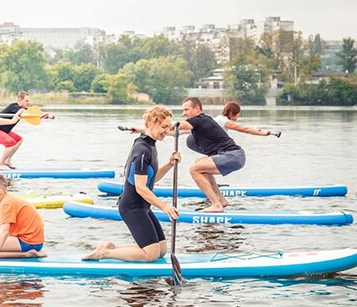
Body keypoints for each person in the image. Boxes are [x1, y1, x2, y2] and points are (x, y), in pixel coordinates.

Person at [83, 106, 180, 262]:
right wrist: (165, 207)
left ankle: (112, 248)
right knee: (151, 254)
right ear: (152, 123)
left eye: (168, 126)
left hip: (143, 206)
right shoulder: (142, 151)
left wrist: (169, 165)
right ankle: (104, 254)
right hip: (132, 206)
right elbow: (141, 188)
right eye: (164, 127)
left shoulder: (151, 144)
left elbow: (151, 180)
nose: (167, 130)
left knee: (161, 250)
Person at [177, 97, 248, 213]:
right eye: (183, 110)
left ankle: (215, 204)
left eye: (186, 109)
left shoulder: (200, 119)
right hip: (234, 156)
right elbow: (172, 131)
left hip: (233, 155)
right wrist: (142, 130)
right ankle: (221, 200)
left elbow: (175, 126)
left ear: (197, 109)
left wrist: (162, 122)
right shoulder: (198, 124)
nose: (183, 113)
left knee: (194, 169)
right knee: (200, 165)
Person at [0, 172, 46, 268]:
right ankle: (21, 250)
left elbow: (4, 231)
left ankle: (26, 254)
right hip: (32, 241)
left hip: (30, 243)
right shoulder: (7, 200)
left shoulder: (7, 203)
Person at [0, 91, 52, 170]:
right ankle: (0, 164)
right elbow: (27, 112)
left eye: (29, 101)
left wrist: (46, 114)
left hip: (3, 131)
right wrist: (41, 116)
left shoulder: (23, 108)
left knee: (18, 140)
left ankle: (7, 161)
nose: (28, 103)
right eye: (26, 101)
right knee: (11, 143)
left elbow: (33, 111)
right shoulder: (14, 107)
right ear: (20, 101)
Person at [186, 101, 280, 156]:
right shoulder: (225, 121)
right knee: (215, 157)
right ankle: (210, 180)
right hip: (194, 140)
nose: (237, 118)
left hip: (193, 139)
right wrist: (265, 133)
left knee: (212, 158)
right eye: (238, 115)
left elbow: (195, 129)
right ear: (232, 113)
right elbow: (244, 129)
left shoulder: (219, 118)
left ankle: (211, 181)